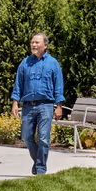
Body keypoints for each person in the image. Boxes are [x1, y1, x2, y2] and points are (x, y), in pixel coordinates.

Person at [12, 32, 65, 176]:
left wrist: (58, 106)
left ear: (45, 46)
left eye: (37, 42)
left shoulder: (53, 63)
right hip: (28, 105)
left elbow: (58, 86)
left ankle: (41, 168)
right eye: (32, 42)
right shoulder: (25, 63)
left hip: (45, 106)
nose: (34, 45)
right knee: (26, 137)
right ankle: (38, 161)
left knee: (43, 138)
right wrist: (15, 103)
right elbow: (18, 84)